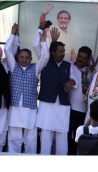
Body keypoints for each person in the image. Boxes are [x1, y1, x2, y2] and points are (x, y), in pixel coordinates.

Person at [4, 23, 49, 153]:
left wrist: (43, 42)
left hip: (30, 108)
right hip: (15, 107)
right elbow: (7, 50)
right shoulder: (13, 66)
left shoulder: (35, 68)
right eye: (21, 57)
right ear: (18, 57)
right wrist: (12, 34)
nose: (24, 60)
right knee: (14, 138)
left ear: (31, 59)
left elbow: (45, 57)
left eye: (26, 57)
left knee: (31, 138)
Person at [36, 30, 77, 155]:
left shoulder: (68, 65)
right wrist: (46, 39)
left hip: (62, 105)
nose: (63, 53)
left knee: (62, 135)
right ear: (53, 52)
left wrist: (71, 82)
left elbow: (76, 80)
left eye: (63, 51)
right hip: (47, 104)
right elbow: (39, 49)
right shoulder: (45, 62)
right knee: (46, 134)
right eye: (60, 51)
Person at [68, 46, 94, 155]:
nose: (80, 59)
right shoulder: (70, 67)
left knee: (80, 138)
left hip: (84, 111)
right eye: (79, 56)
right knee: (68, 136)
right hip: (70, 109)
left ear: (88, 60)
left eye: (84, 58)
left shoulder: (92, 72)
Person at [0, 25, 20, 152]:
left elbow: (11, 51)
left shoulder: (5, 65)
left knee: (3, 128)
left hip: (3, 103)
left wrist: (14, 35)